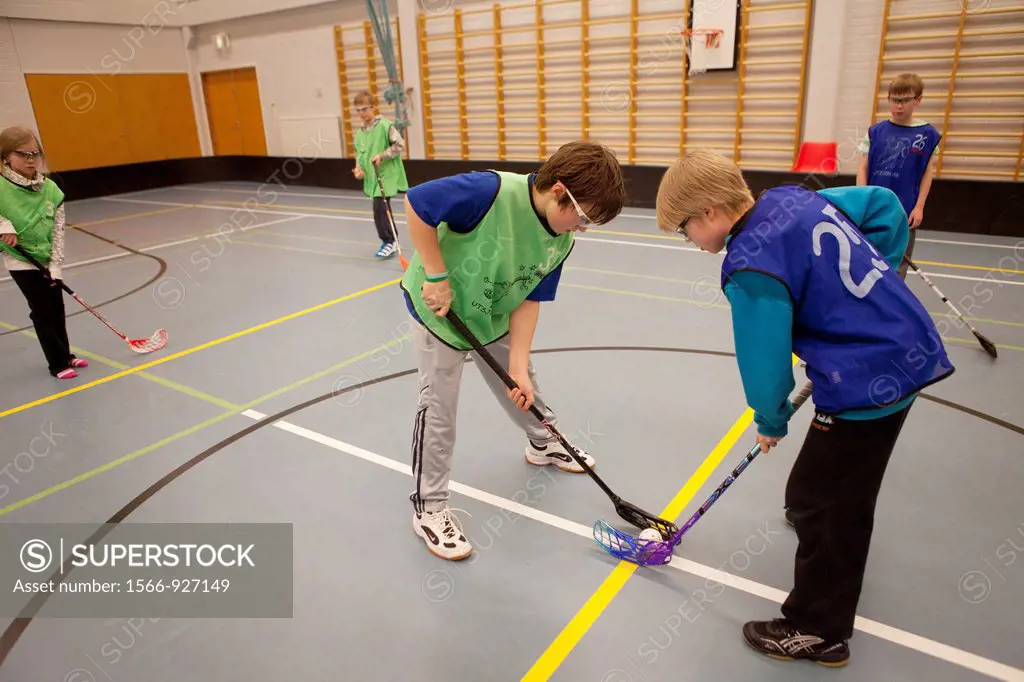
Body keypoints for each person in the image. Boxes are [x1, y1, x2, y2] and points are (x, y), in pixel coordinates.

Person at [655, 150, 954, 667]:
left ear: (708, 212)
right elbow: (882, 206)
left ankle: (818, 629)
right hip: (905, 350)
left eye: (684, 230)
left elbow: (764, 361)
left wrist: (770, 419)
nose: (689, 241)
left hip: (868, 381)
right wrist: (863, 288)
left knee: (830, 503)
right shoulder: (791, 199)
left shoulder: (748, 263)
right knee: (818, 491)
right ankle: (818, 520)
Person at [400, 140, 627, 560]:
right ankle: (428, 508)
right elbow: (418, 204)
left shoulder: (561, 239)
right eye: (583, 216)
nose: (582, 227)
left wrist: (518, 366)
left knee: (526, 385)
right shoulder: (489, 192)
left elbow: (529, 296)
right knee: (439, 411)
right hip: (440, 314)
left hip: (492, 313)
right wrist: (435, 273)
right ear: (559, 191)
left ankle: (543, 443)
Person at [0, 125, 88, 380]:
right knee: (43, 310)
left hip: (47, 259)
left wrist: (56, 265)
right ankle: (57, 363)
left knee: (57, 308)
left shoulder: (50, 188)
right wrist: (4, 225)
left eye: (35, 154)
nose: (31, 160)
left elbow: (58, 229)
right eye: (23, 154)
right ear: (6, 156)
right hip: (21, 262)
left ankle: (66, 353)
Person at [857, 73, 939, 278]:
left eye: (905, 100)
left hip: (905, 209)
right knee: (866, 258)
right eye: (895, 100)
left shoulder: (928, 135)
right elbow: (863, 168)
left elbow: (927, 173)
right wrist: (861, 201)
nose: (899, 106)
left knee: (897, 266)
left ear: (918, 100)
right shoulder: (875, 132)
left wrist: (919, 207)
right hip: (875, 208)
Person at [351, 90, 409, 259]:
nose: (361, 113)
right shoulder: (360, 133)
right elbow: (359, 154)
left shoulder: (385, 125)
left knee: (379, 208)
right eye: (358, 110)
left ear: (373, 107)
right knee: (382, 209)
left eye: (364, 109)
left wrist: (382, 156)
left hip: (386, 174)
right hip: (372, 176)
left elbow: (399, 145)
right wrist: (358, 170)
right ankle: (392, 240)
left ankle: (389, 241)